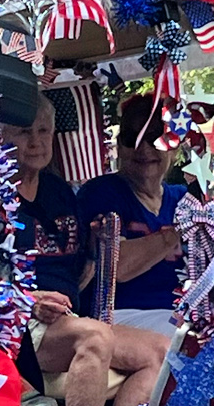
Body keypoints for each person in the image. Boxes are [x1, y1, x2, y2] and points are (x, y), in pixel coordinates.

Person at [0, 97, 165, 406]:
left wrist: (96, 251)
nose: (36, 142)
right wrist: (28, 299)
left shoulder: (59, 193)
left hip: (65, 319)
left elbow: (79, 270)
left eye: (44, 132)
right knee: (94, 337)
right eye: (25, 133)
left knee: (159, 351)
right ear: (2, 136)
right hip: (15, 323)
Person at [75, 92, 187, 338]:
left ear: (174, 147)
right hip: (118, 318)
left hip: (180, 315)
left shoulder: (184, 198)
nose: (143, 148)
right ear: (119, 146)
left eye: (154, 138)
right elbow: (118, 265)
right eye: (131, 137)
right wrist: (175, 232)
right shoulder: (101, 193)